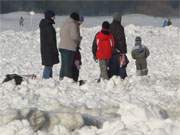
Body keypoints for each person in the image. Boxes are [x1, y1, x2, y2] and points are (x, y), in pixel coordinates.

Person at [58, 12, 82, 80]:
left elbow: (60, 33)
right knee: (68, 66)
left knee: (63, 65)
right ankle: (67, 80)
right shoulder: (73, 24)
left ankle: (61, 78)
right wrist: (79, 38)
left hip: (62, 46)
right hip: (69, 47)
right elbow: (74, 36)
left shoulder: (65, 23)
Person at [39, 10, 59, 79]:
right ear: (49, 17)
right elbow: (51, 40)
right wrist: (54, 50)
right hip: (49, 49)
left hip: (46, 49)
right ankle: (46, 78)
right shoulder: (48, 26)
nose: (54, 18)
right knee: (48, 65)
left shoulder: (46, 25)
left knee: (49, 64)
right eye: (53, 16)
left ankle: (49, 79)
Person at [109, 12, 128, 79]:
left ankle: (112, 79)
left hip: (110, 51)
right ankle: (121, 79)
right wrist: (123, 51)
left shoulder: (109, 26)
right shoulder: (120, 28)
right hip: (118, 51)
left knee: (112, 67)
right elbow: (121, 40)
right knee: (121, 66)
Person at [72, 16, 84, 82]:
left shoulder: (76, 26)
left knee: (76, 62)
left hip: (76, 48)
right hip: (75, 48)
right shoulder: (75, 27)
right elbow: (75, 37)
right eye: (81, 21)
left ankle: (75, 78)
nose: (81, 23)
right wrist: (79, 38)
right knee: (77, 62)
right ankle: (75, 78)